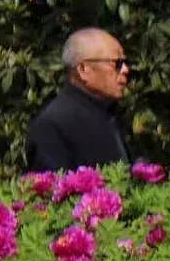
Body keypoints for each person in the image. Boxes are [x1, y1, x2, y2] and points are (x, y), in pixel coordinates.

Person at [28, 28, 131, 172]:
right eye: (117, 64)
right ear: (83, 69)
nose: (125, 70)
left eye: (125, 62)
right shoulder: (53, 125)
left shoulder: (110, 114)